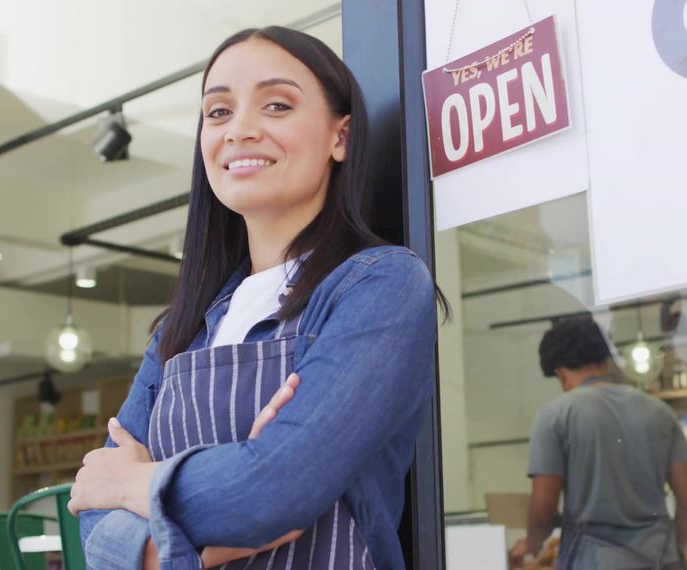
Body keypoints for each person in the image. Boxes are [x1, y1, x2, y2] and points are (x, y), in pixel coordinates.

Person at [67, 27, 442, 570]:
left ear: (341, 136)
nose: (240, 129)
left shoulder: (380, 285)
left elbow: (275, 491)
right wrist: (197, 545)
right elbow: (92, 504)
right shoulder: (183, 326)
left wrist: (138, 482)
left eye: (276, 104)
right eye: (218, 112)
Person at [509, 316, 687, 569]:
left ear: (561, 374)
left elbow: (544, 512)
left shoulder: (554, 416)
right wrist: (674, 548)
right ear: (604, 360)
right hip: (662, 559)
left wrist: (532, 543)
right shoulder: (660, 411)